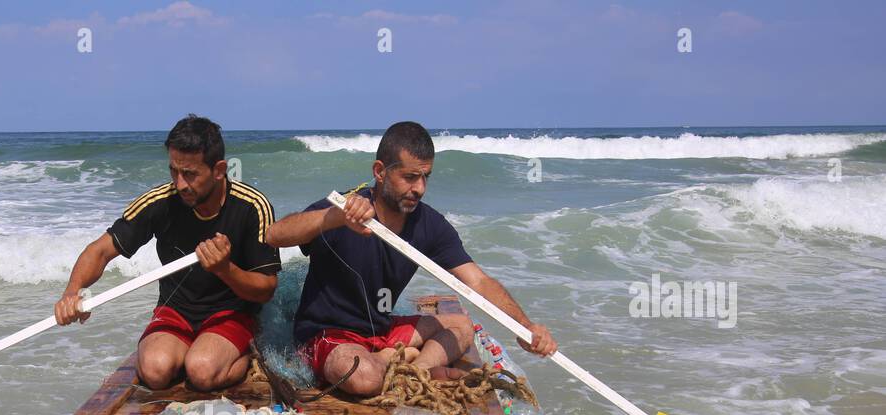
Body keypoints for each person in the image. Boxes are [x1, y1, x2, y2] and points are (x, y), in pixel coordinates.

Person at [264, 121, 557, 395]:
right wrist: (334, 217)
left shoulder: (428, 224)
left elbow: (478, 281)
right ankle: (393, 363)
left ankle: (413, 368)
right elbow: (275, 235)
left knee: (461, 327)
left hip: (382, 330)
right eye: (409, 177)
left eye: (425, 177)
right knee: (362, 376)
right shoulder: (343, 207)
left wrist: (525, 326)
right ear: (380, 171)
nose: (419, 189)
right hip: (329, 337)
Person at [54, 115, 281, 391]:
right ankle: (189, 350)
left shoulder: (252, 206)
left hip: (231, 312)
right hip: (177, 310)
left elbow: (267, 288)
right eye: (174, 171)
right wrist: (72, 291)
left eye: (191, 174)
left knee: (201, 371)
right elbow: (100, 250)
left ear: (219, 169)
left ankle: (241, 352)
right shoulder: (159, 202)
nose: (181, 184)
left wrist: (225, 270)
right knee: (155, 371)